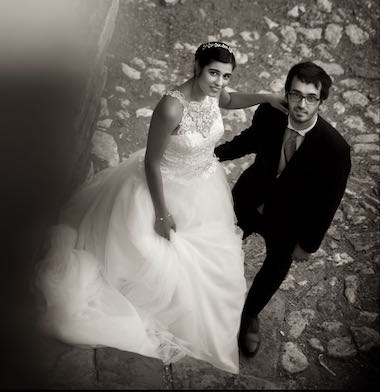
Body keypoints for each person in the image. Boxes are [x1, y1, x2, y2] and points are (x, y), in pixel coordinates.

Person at [35, 41, 289, 374]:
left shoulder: (216, 92)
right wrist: (161, 213)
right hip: (163, 188)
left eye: (226, 76)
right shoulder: (171, 107)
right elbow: (152, 163)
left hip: (204, 187)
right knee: (158, 257)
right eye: (214, 73)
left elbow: (227, 100)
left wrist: (266, 97)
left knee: (207, 255)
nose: (219, 82)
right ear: (197, 66)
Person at [214, 60, 351, 357]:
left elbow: (329, 201)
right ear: (286, 93)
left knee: (274, 268)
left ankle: (249, 316)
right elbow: (247, 142)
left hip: (290, 221)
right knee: (219, 243)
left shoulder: (335, 150)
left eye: (311, 97)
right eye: (295, 94)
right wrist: (211, 156)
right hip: (249, 199)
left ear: (321, 101)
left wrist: (308, 245)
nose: (301, 103)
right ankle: (209, 293)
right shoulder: (269, 115)